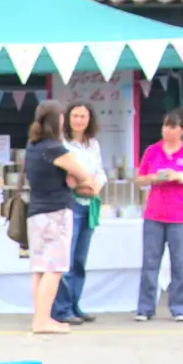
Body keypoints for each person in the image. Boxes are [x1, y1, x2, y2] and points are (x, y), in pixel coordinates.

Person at [22, 99, 100, 335]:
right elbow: (84, 175)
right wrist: (80, 182)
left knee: (39, 268)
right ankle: (43, 320)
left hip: (35, 212)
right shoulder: (55, 148)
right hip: (56, 211)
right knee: (55, 268)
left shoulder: (33, 147)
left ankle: (40, 317)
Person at [135, 106, 183, 322]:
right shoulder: (152, 151)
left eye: (173, 126)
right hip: (154, 213)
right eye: (165, 125)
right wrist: (154, 178)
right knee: (150, 261)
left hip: (181, 216)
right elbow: (139, 179)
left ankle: (180, 307)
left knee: (180, 262)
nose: (167, 130)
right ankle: (145, 308)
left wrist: (181, 177)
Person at [51, 101, 104, 326]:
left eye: (83, 116)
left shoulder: (93, 144)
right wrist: (84, 185)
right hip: (70, 203)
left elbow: (100, 171)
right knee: (66, 258)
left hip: (89, 203)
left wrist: (96, 186)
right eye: (75, 116)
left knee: (80, 259)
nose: (79, 120)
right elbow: (67, 178)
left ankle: (74, 304)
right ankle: (61, 309)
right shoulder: (62, 144)